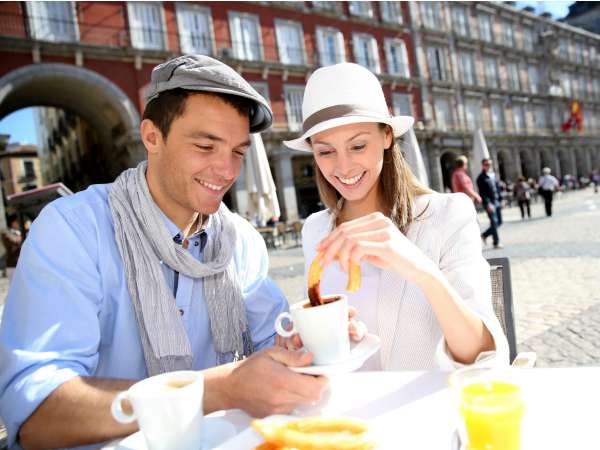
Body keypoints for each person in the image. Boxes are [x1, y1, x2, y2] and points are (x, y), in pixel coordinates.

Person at [0, 55, 328, 450]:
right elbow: (37, 413)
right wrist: (217, 390)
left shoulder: (241, 239)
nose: (226, 171)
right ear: (152, 137)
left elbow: (273, 343)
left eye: (238, 152)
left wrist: (317, 337)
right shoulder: (73, 229)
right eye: (206, 145)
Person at [281, 63, 508, 371]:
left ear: (387, 136)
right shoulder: (315, 229)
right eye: (325, 152)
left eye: (358, 145)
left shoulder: (446, 215)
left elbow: (482, 355)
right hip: (346, 411)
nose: (344, 167)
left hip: (425, 411)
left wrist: (421, 271)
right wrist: (309, 340)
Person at [477, 158, 503, 249]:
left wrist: (501, 199)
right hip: (490, 203)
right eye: (486, 164)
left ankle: (484, 235)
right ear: (483, 165)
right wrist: (488, 204)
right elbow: (482, 193)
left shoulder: (493, 175)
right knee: (494, 222)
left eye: (490, 164)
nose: (488, 166)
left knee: (499, 222)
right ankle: (496, 242)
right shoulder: (481, 178)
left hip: (497, 201)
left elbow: (497, 188)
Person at [0, 215, 23, 281]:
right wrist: (22, 238)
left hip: (21, 264)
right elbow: (13, 242)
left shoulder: (19, 232)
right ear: (12, 223)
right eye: (16, 221)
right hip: (12, 264)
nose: (18, 223)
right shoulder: (6, 233)